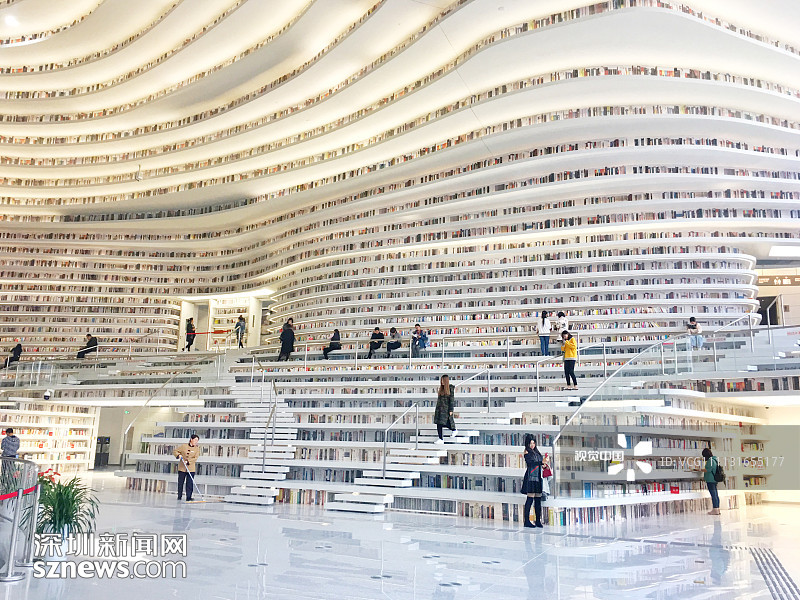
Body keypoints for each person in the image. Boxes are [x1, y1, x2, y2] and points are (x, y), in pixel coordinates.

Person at [521, 434, 544, 528]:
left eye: (533, 443)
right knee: (530, 499)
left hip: (538, 477)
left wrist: (544, 465)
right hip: (531, 477)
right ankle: (527, 521)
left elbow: (539, 463)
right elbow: (530, 463)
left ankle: (538, 520)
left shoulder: (537, 452)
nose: (532, 445)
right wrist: (541, 462)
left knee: (538, 500)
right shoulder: (527, 452)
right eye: (530, 443)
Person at [173, 434, 200, 501]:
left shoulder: (197, 449)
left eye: (197, 440)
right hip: (182, 468)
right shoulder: (184, 446)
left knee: (189, 483)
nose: (196, 442)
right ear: (191, 439)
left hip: (191, 469)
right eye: (195, 440)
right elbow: (175, 451)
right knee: (180, 482)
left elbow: (195, 458)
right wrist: (178, 455)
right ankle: (179, 496)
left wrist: (188, 462)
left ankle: (189, 497)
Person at [433, 374, 458, 444]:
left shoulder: (450, 389)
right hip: (439, 409)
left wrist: (451, 410)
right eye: (441, 381)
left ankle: (454, 430)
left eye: (443, 380)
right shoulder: (441, 389)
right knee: (439, 423)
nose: (442, 382)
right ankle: (441, 438)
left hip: (445, 409)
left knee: (445, 423)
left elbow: (452, 400)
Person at [702, 447, 720, 515]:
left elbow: (708, 470)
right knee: (715, 495)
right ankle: (717, 509)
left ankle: (715, 510)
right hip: (714, 479)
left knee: (713, 495)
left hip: (710, 479)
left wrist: (700, 470)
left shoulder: (710, 461)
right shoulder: (715, 459)